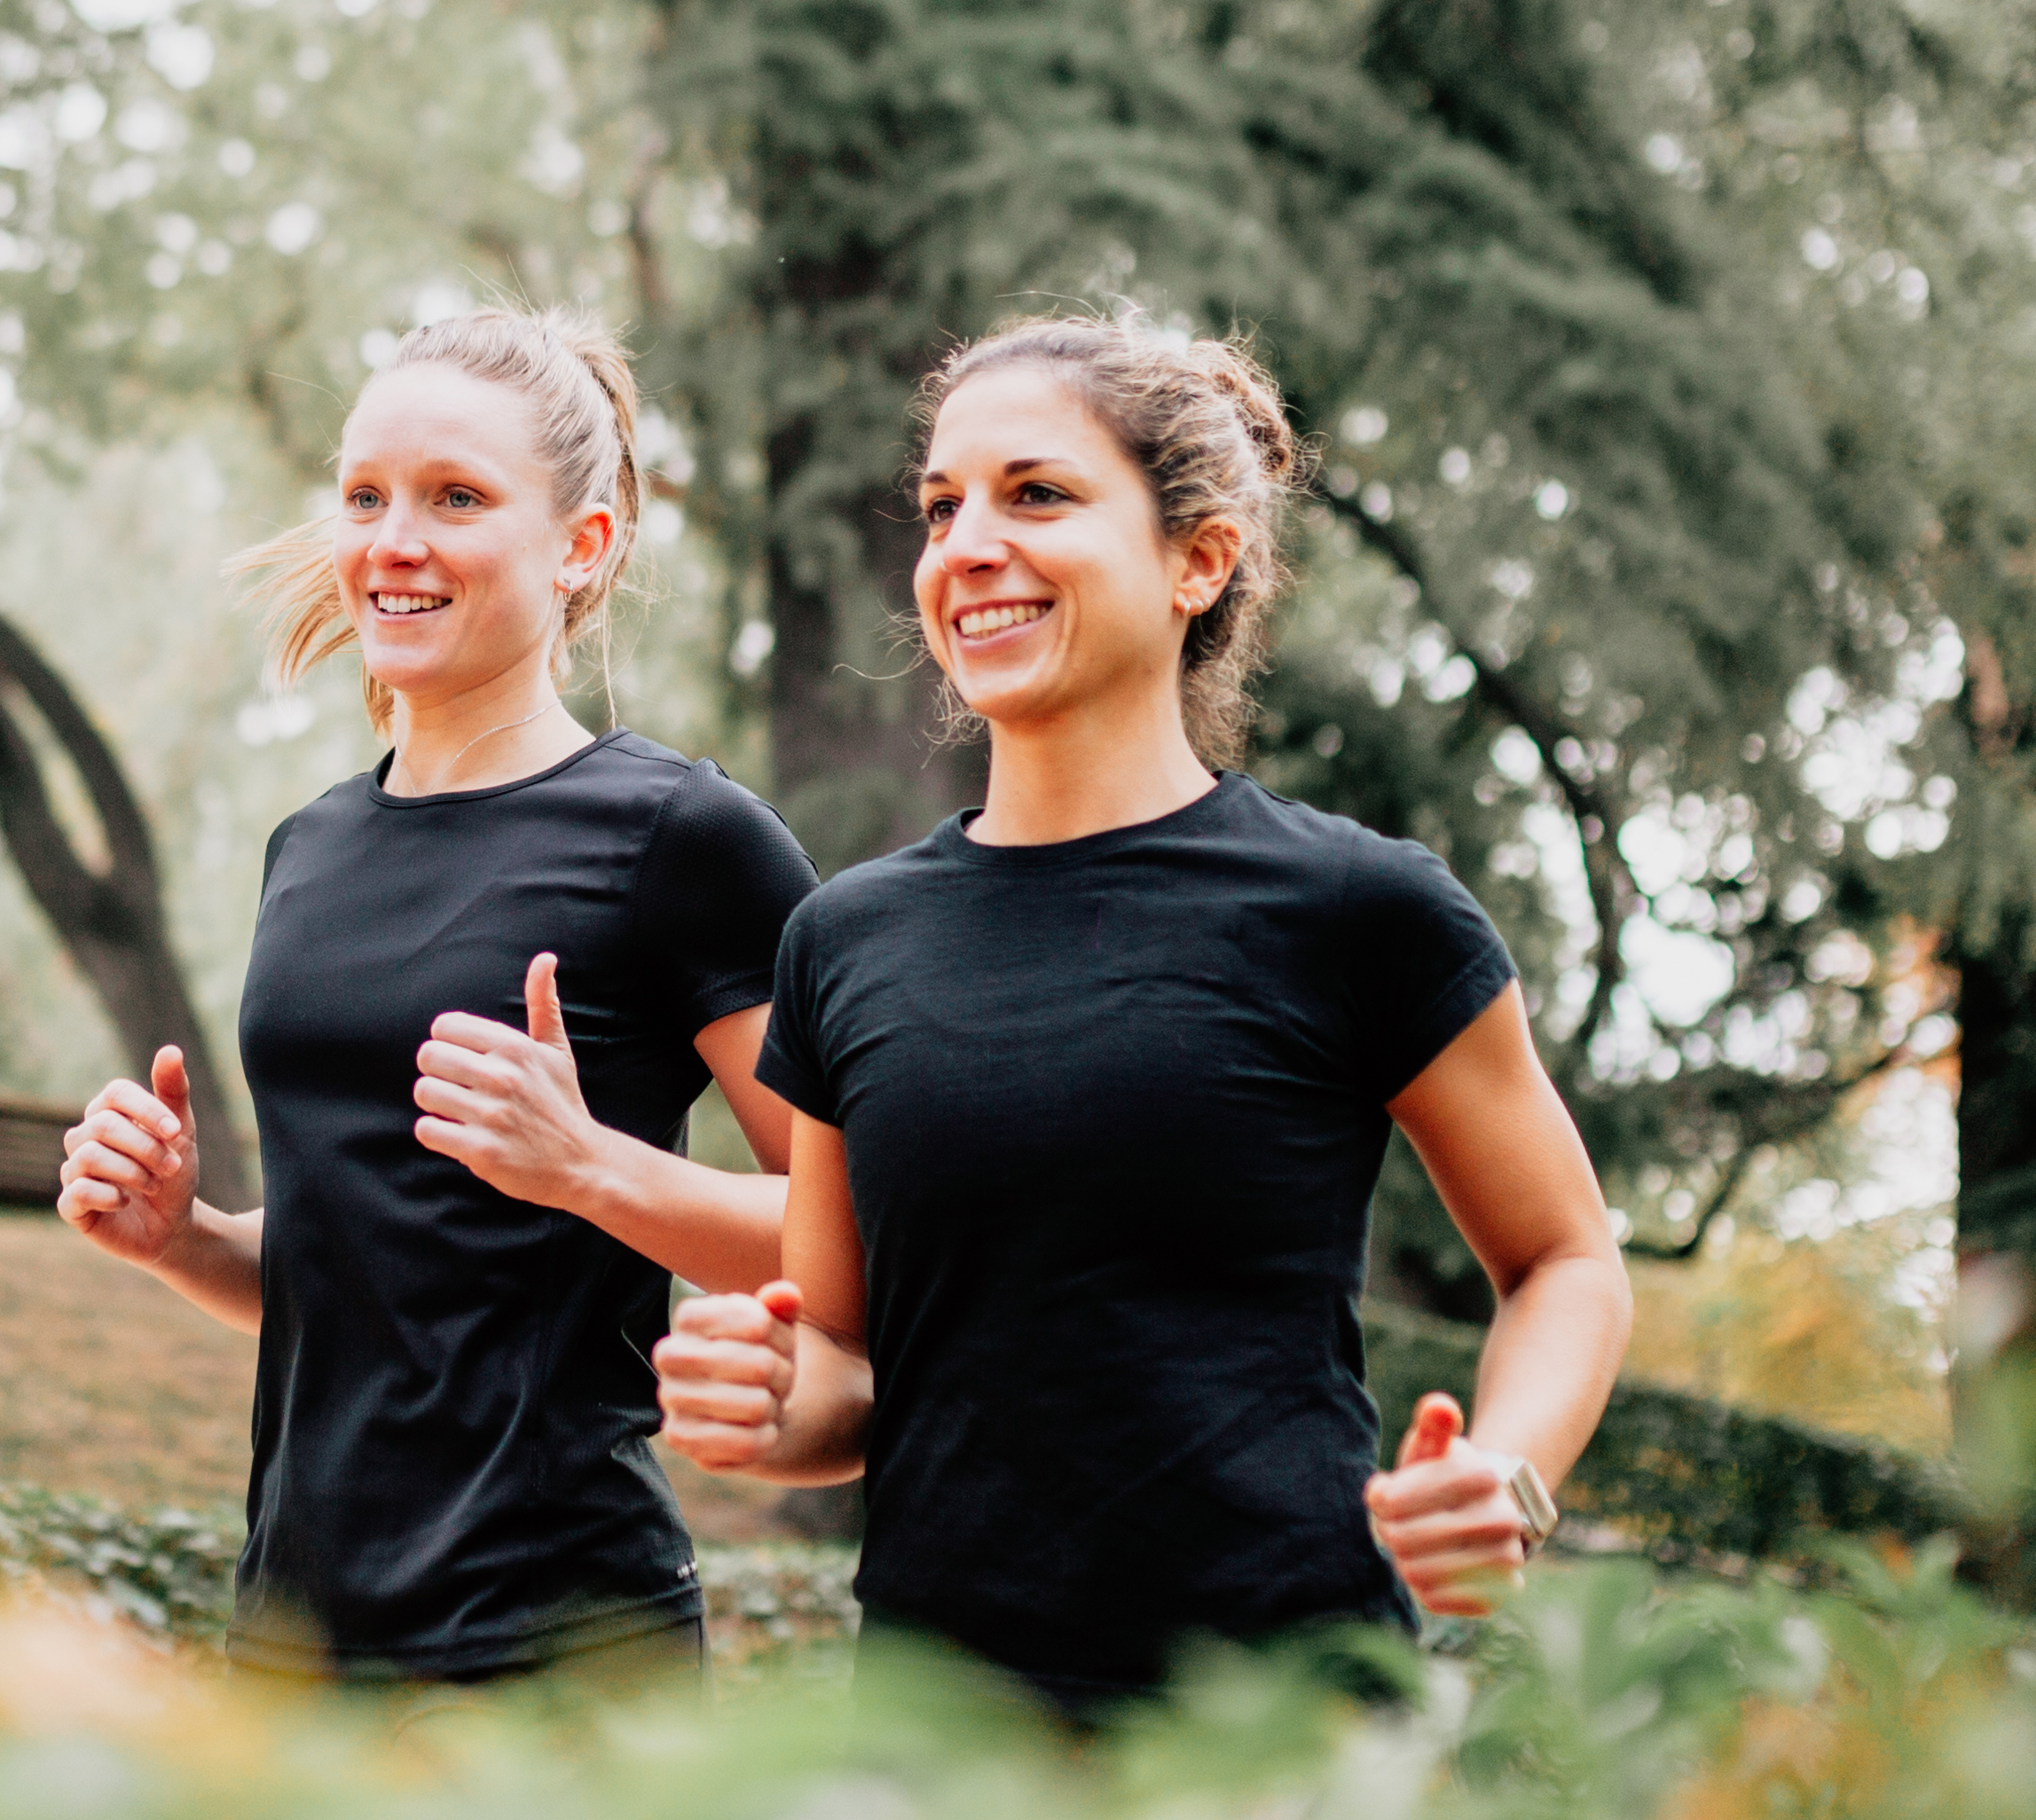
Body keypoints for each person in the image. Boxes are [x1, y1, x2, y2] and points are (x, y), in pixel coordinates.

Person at [650, 310, 1631, 1720]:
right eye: (942, 507)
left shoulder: (1360, 911)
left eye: (1036, 492)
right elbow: (853, 1372)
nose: (966, 544)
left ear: (1199, 559)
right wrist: (756, 1404)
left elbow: (1565, 1264)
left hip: (1284, 1743)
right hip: (946, 1759)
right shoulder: (844, 942)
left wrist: (1507, 1476)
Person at [53, 306, 819, 1685]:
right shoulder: (312, 850)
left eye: (456, 499)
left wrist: (589, 1168)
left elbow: (863, 1237)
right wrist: (182, 1237)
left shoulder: (682, 840)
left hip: (554, 1644)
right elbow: (368, 1259)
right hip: (291, 1638)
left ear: (580, 547)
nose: (392, 541)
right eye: (366, 497)